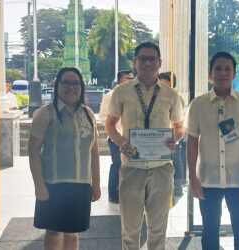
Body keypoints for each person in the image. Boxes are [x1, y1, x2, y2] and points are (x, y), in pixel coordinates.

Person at [105, 42, 184, 250]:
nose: (147, 63)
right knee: (130, 230)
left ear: (159, 63)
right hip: (132, 168)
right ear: (135, 62)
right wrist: (122, 142)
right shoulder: (121, 92)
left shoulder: (171, 95)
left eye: (152, 59)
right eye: (143, 58)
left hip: (161, 169)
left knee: (158, 229)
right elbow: (110, 125)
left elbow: (179, 127)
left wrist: (174, 138)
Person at [186, 51, 239, 250]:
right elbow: (192, 142)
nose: (222, 73)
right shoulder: (198, 104)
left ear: (234, 73)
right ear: (210, 74)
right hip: (208, 180)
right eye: (218, 69)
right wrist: (193, 177)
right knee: (210, 230)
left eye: (227, 69)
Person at [28, 67, 101, 250]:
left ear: (81, 86)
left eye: (75, 83)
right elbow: (33, 151)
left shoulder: (88, 114)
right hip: (54, 184)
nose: (71, 87)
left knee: (72, 233)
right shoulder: (45, 114)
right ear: (57, 86)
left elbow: (94, 151)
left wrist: (96, 184)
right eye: (65, 83)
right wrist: (39, 185)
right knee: (53, 233)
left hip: (81, 184)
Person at [99, 70, 134, 204]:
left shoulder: (135, 94)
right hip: (116, 137)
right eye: (128, 78)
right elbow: (103, 117)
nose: (131, 80)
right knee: (118, 164)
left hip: (132, 137)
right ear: (121, 80)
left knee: (130, 166)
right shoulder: (110, 95)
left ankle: (127, 192)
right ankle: (113, 193)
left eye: (132, 78)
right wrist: (115, 130)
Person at [158, 72, 186, 200]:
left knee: (177, 162)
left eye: (162, 82)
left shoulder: (176, 98)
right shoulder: (157, 96)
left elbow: (179, 122)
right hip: (159, 140)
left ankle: (178, 187)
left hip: (173, 137)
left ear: (170, 83)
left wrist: (175, 136)